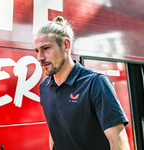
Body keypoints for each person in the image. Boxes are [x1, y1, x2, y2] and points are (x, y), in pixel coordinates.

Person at [34, 16, 130, 150]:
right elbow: (54, 135)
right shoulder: (44, 87)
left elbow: (118, 142)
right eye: (37, 51)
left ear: (66, 45)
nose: (40, 57)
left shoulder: (95, 82)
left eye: (46, 48)